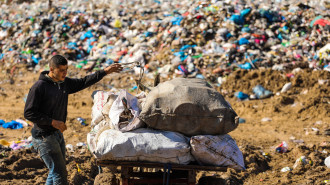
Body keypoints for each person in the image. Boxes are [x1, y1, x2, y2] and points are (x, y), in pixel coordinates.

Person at [24, 55, 122, 185]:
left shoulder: (63, 83)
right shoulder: (40, 87)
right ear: (51, 69)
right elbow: (29, 113)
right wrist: (53, 122)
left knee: (55, 172)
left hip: (57, 134)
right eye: (61, 70)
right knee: (59, 174)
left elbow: (83, 81)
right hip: (43, 136)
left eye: (66, 69)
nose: (65, 73)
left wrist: (105, 71)